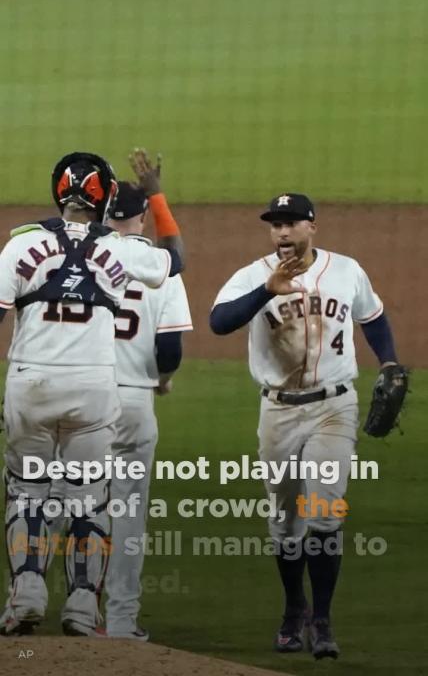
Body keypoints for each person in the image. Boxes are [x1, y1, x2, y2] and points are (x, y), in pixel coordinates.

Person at [0, 151, 184, 637]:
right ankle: (82, 608)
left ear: (58, 193)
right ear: (104, 198)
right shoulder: (123, 248)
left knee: (28, 493)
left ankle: (27, 595)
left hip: (30, 384)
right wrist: (156, 194)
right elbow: (175, 259)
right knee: (89, 499)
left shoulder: (21, 245)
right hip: (94, 389)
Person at [210, 193, 400, 660]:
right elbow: (218, 322)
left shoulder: (346, 270)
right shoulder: (252, 276)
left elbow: (372, 318)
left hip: (334, 408)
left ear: (312, 226)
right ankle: (294, 607)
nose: (282, 233)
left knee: (323, 513)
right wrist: (266, 291)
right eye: (275, 225)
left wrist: (389, 360)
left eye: (291, 223)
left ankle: (323, 620)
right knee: (285, 522)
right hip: (277, 412)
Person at [104, 149, 192, 639]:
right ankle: (120, 621)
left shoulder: (78, 257)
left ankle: (70, 608)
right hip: (135, 402)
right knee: (128, 517)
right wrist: (162, 377)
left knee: (69, 506)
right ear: (140, 216)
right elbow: (170, 349)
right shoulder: (161, 266)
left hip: (80, 398)